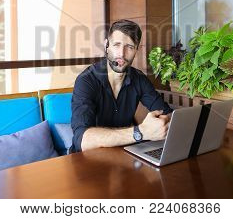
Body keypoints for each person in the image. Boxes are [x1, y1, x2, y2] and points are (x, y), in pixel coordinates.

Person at [70, 19, 173, 152]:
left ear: (137, 50)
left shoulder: (139, 79)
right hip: (87, 161)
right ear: (106, 45)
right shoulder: (86, 81)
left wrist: (160, 125)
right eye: (116, 45)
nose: (121, 54)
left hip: (122, 157)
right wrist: (140, 132)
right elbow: (82, 140)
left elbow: (167, 115)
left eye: (129, 47)